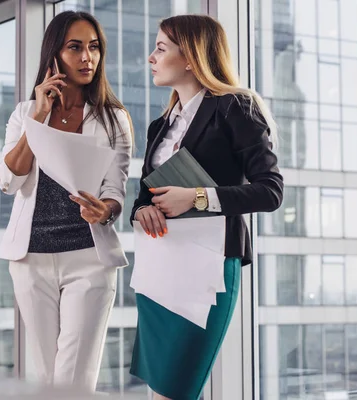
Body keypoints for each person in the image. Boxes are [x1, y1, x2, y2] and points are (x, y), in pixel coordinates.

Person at [129, 14, 283, 400]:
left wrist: (197, 197)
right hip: (160, 265)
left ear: (191, 59)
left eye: (161, 48)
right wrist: (140, 210)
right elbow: (146, 193)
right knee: (158, 390)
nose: (150, 57)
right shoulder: (160, 125)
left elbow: (270, 191)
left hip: (208, 267)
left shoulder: (235, 107)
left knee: (178, 389)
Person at [0, 11, 133, 391]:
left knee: (74, 380)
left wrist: (105, 210)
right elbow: (9, 181)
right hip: (31, 261)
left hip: (89, 259)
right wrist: (37, 118)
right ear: (54, 55)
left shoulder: (113, 119)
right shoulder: (24, 113)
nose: (87, 57)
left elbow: (115, 191)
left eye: (94, 48)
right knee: (46, 379)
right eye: (75, 48)